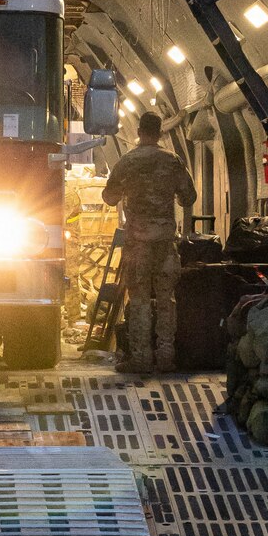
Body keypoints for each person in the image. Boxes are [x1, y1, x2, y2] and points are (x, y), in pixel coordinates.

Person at [100, 111, 196, 373]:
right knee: (166, 300)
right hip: (165, 243)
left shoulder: (128, 162)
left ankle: (141, 358)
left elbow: (109, 197)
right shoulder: (173, 161)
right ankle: (166, 356)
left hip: (138, 243)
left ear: (139, 132)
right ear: (160, 132)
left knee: (140, 299)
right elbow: (188, 197)